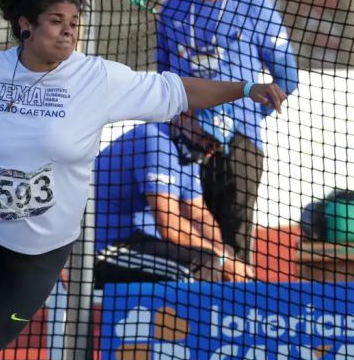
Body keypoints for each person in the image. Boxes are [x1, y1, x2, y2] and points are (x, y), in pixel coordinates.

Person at [0, 0, 286, 360]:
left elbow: (178, 89)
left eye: (74, 23)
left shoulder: (96, 78)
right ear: (26, 25)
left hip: (43, 247)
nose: (68, 31)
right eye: (56, 21)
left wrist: (245, 87)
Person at [155, 0, 299, 265]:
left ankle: (233, 306)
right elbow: (163, 79)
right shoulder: (173, 9)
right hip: (183, 144)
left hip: (239, 145)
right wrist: (183, 121)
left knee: (234, 243)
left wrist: (245, 117)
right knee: (190, 242)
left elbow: (287, 78)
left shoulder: (256, 8)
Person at [94, 105, 253, 285]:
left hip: (146, 243)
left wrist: (224, 251)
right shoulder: (155, 140)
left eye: (214, 145)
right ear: (185, 117)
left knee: (224, 263)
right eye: (205, 137)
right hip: (110, 248)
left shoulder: (189, 155)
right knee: (199, 268)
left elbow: (199, 214)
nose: (208, 150)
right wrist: (221, 257)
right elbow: (169, 225)